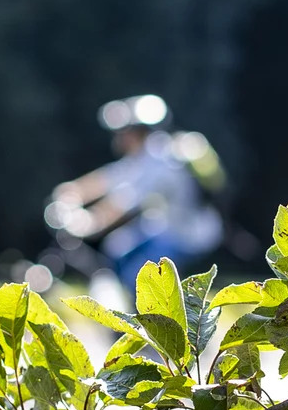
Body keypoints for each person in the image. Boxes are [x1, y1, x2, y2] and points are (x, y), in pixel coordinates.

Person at [50, 95, 226, 291]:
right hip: (164, 227)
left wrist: (85, 225)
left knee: (136, 278)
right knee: (116, 249)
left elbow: (122, 204)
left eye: (121, 132)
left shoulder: (160, 162)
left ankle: (148, 321)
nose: (117, 137)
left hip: (189, 236)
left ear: (135, 132)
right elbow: (109, 177)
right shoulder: (147, 153)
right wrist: (70, 192)